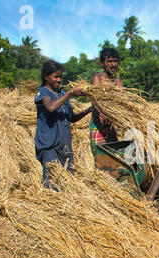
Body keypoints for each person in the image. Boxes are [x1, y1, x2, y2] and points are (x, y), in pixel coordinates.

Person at [34, 59, 92, 189]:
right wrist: (70, 93)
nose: (59, 80)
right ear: (45, 77)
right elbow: (50, 107)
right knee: (52, 182)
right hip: (49, 145)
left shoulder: (61, 94)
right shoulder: (43, 92)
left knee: (68, 181)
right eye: (55, 76)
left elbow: (71, 118)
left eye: (60, 77)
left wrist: (88, 110)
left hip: (64, 145)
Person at [89, 47, 124, 162]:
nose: (113, 64)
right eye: (109, 61)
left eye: (115, 61)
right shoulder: (97, 80)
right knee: (101, 159)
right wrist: (103, 118)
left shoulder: (118, 82)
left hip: (112, 126)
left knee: (115, 157)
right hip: (99, 126)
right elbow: (97, 103)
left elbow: (122, 103)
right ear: (102, 64)